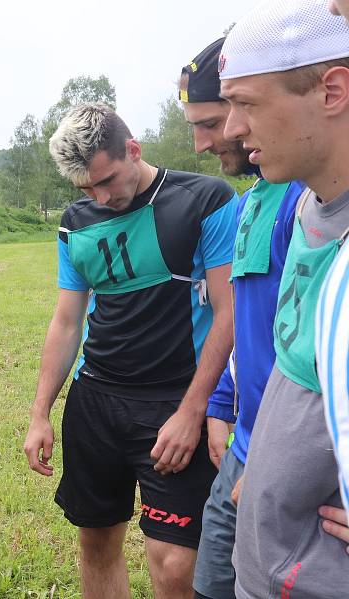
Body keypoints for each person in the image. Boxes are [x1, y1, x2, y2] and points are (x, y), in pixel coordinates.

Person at [24, 103, 237, 599]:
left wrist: (194, 410)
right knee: (96, 544)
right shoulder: (76, 221)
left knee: (175, 564)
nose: (102, 197)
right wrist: (40, 413)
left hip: (173, 405)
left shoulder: (204, 198)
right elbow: (67, 320)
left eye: (108, 180)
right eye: (87, 189)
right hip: (96, 401)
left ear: (133, 150)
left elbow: (229, 313)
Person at [218, 1, 349, 596]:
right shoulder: (304, 209)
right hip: (270, 570)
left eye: (246, 103)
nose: (231, 130)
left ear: (332, 91)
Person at [178, 38, 303, 599]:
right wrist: (222, 403)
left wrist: (282, 464)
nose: (206, 142)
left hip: (286, 464)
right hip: (242, 451)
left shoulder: (309, 202)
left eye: (214, 120)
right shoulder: (253, 199)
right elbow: (255, 321)